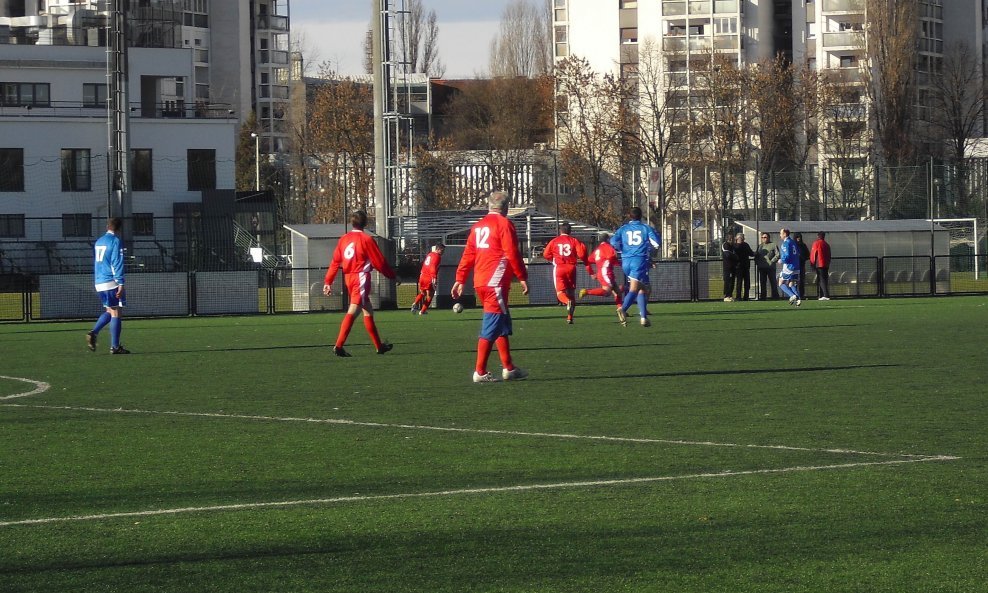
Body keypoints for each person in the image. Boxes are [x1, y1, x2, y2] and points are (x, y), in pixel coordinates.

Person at [451, 191, 529, 383]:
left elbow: (468, 254)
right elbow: (512, 253)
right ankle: (480, 372)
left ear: (489, 206)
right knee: (492, 325)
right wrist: (522, 276)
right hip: (495, 281)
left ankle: (509, 368)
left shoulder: (478, 226)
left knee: (501, 323)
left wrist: (460, 279)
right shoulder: (504, 224)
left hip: (481, 280)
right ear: (507, 208)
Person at [323, 210, 396, 357]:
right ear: (365, 223)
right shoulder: (366, 239)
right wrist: (393, 276)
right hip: (360, 278)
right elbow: (379, 262)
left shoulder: (344, 239)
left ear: (352, 223)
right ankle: (338, 346)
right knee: (353, 311)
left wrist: (328, 281)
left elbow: (335, 262)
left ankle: (379, 346)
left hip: (349, 277)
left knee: (368, 310)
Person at [610, 207, 661, 327]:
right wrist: (649, 250)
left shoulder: (623, 229)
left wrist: (621, 249)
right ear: (641, 216)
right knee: (634, 289)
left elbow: (613, 242)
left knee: (642, 288)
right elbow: (656, 243)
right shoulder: (645, 228)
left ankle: (644, 318)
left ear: (629, 216)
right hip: (639, 261)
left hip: (626, 261)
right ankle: (623, 309)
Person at [86, 217, 129, 354]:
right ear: (119, 229)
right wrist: (120, 283)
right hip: (111, 281)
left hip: (99, 281)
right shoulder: (115, 241)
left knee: (109, 311)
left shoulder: (99, 241)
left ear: (107, 226)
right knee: (116, 312)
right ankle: (115, 347)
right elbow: (117, 262)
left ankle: (94, 332)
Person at [542, 222, 589, 324]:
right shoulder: (574, 240)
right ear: (570, 231)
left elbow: (545, 254)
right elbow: (581, 254)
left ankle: (567, 302)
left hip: (559, 267)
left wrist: (552, 259)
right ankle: (570, 317)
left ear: (560, 231)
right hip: (571, 268)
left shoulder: (554, 241)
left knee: (560, 293)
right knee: (571, 293)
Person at [579, 232, 624, 320]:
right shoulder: (608, 247)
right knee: (607, 292)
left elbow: (589, 260)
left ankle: (620, 309)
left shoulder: (597, 249)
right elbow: (612, 256)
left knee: (618, 291)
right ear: (608, 239)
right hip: (606, 272)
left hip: (603, 272)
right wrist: (620, 262)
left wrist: (592, 272)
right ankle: (587, 292)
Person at [411, 242, 445, 315]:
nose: (443, 252)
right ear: (438, 249)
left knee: (422, 293)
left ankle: (415, 303)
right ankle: (422, 311)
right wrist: (434, 277)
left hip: (422, 276)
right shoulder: (437, 257)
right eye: (442, 250)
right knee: (430, 295)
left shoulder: (430, 254)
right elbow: (432, 266)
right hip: (429, 277)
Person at [777, 228, 802, 307]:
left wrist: (782, 260)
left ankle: (792, 295)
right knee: (791, 283)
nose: (780, 235)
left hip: (789, 266)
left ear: (784, 234)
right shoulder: (793, 242)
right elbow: (798, 253)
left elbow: (787, 255)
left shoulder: (785, 243)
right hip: (796, 266)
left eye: (781, 233)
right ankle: (798, 299)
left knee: (780, 282)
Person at [754, 231, 779, 300]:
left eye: (765, 237)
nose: (763, 238)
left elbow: (778, 255)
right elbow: (756, 255)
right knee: (762, 283)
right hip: (762, 267)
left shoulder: (773, 245)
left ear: (768, 238)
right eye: (762, 237)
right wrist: (757, 262)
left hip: (771, 268)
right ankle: (763, 297)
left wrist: (772, 261)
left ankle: (775, 297)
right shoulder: (760, 246)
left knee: (773, 282)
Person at [810, 231, 832, 300]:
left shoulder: (816, 243)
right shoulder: (826, 244)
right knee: (825, 279)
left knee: (821, 279)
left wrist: (812, 263)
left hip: (819, 264)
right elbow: (829, 255)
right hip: (826, 264)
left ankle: (826, 295)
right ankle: (822, 295)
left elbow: (813, 254)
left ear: (818, 236)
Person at [733, 233, 755, 301]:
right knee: (739, 282)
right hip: (738, 266)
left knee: (746, 282)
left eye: (742, 238)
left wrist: (756, 253)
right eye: (741, 238)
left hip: (745, 266)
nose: (742, 240)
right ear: (737, 239)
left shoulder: (745, 245)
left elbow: (751, 253)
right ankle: (738, 296)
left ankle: (746, 296)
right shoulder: (735, 246)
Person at [794, 232, 811, 299]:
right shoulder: (793, 245)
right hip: (794, 266)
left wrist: (803, 258)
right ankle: (795, 294)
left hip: (801, 265)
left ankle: (801, 295)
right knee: (794, 281)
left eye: (800, 237)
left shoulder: (803, 245)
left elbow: (808, 254)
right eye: (797, 237)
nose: (799, 238)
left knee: (801, 281)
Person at [721, 235, 737, 302]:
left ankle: (730, 295)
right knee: (728, 281)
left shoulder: (733, 246)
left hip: (733, 267)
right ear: (730, 239)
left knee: (732, 282)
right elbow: (728, 254)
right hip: (727, 267)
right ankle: (726, 296)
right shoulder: (725, 245)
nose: (734, 241)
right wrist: (735, 256)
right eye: (733, 239)